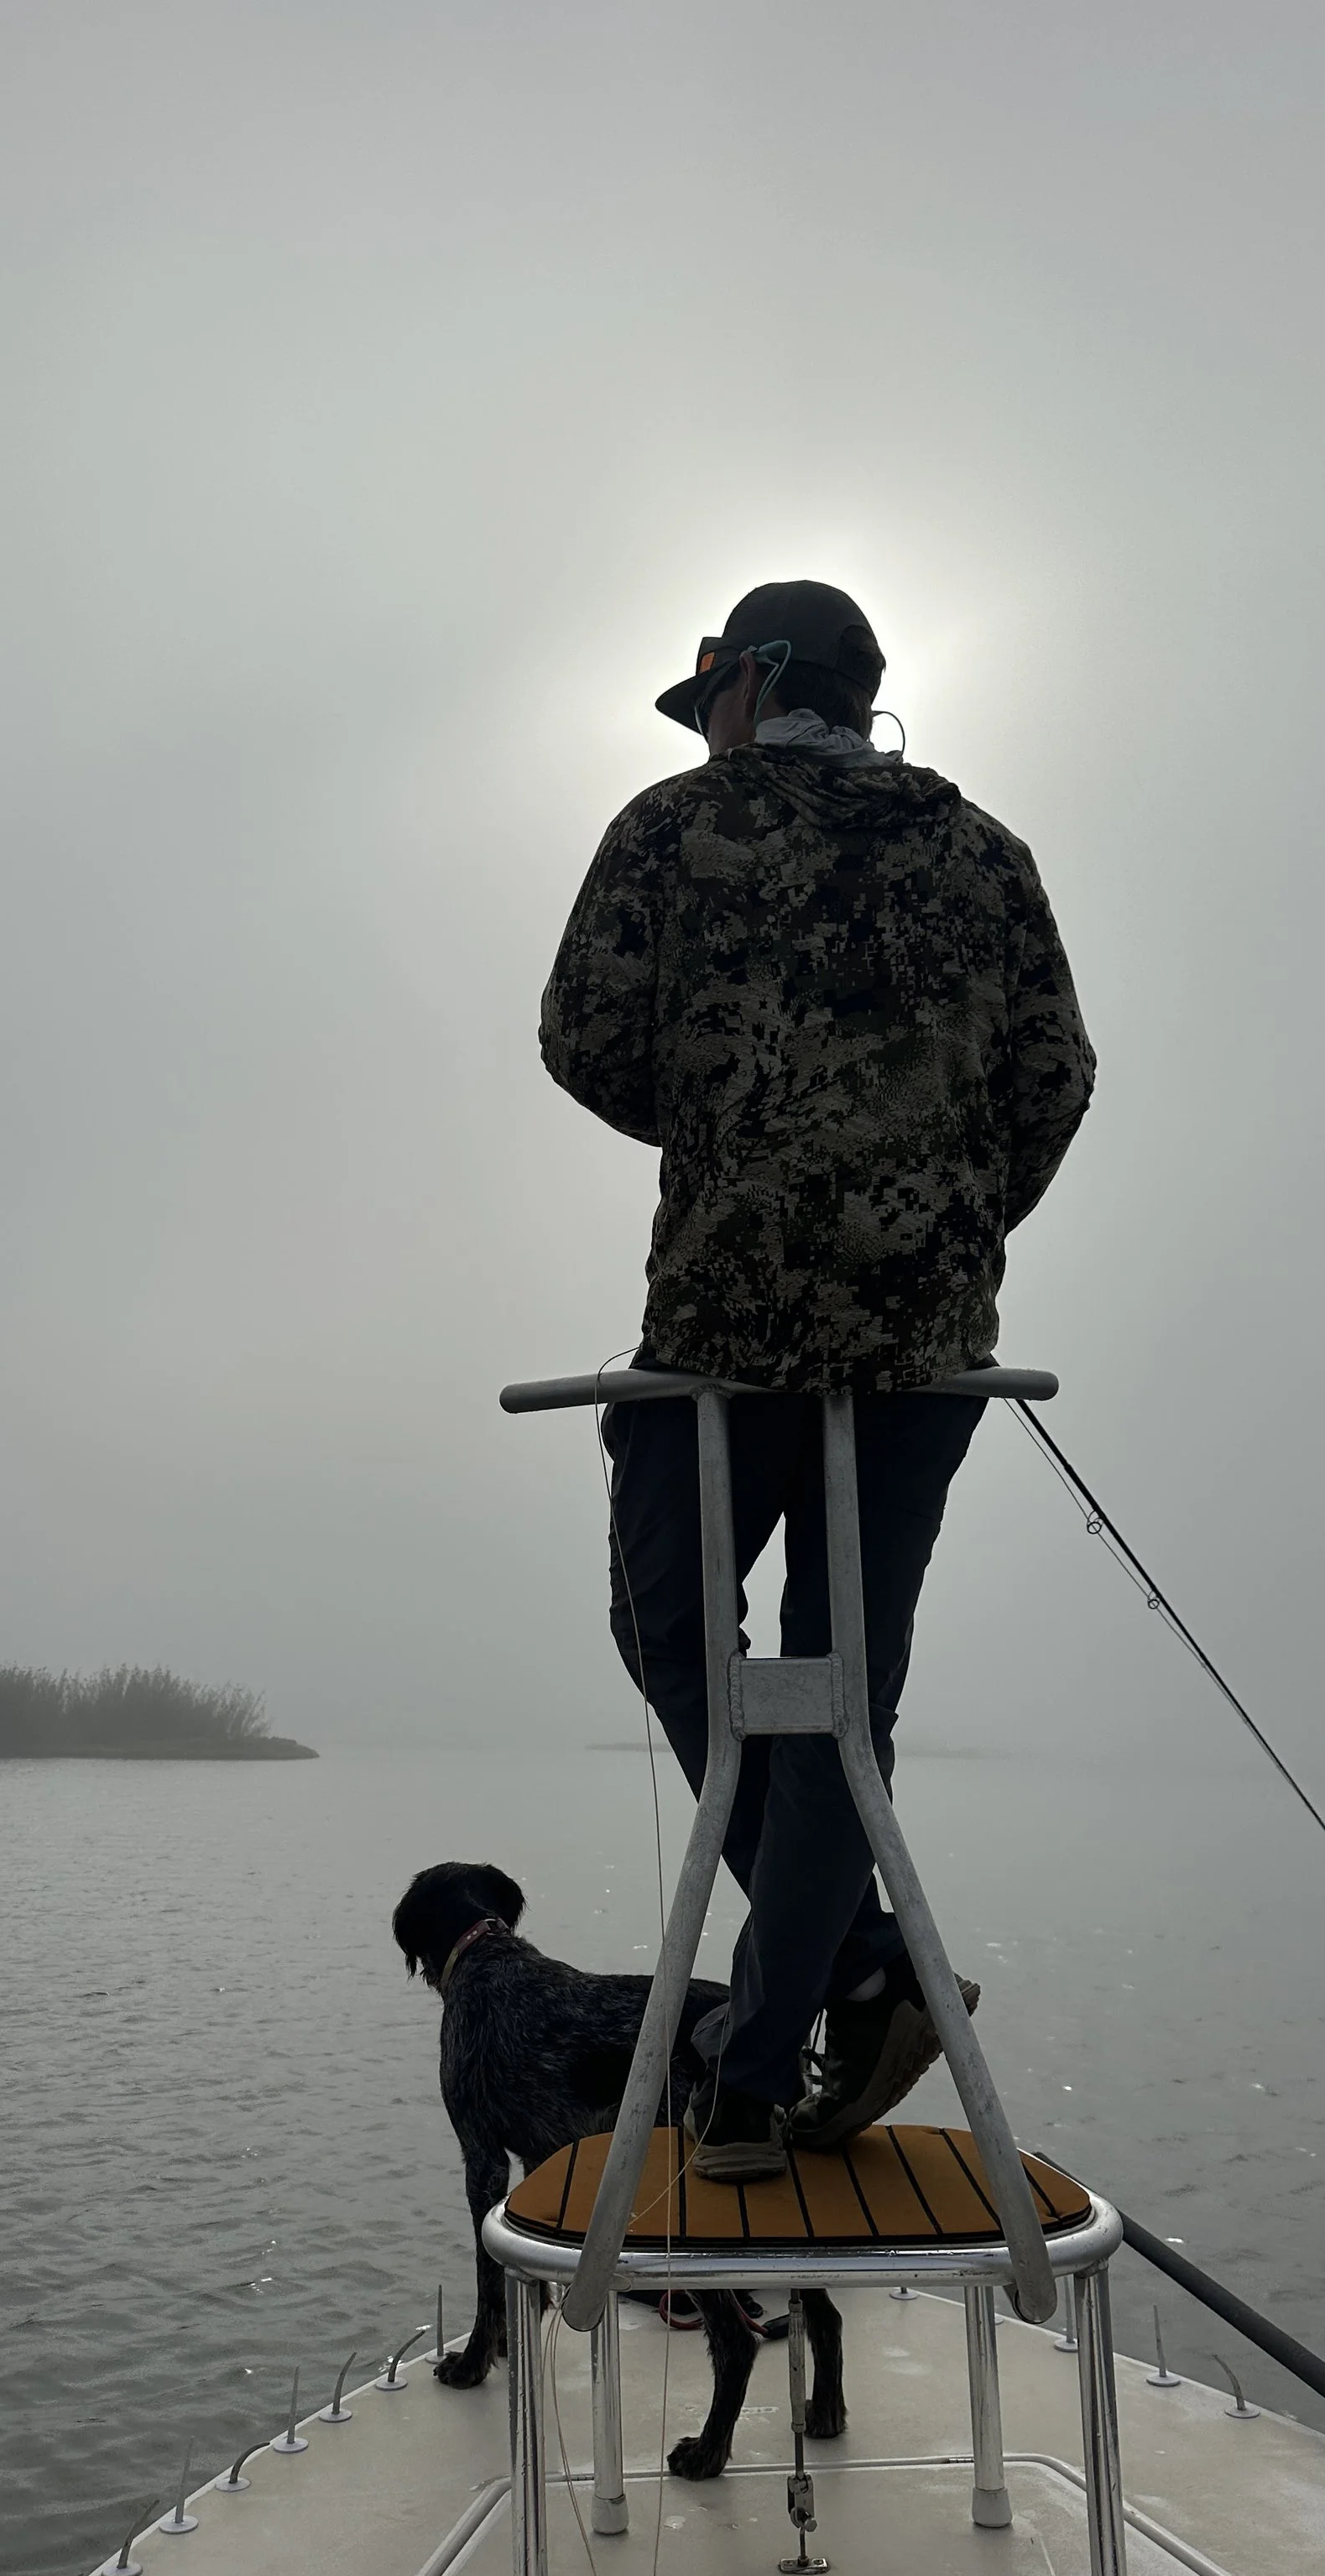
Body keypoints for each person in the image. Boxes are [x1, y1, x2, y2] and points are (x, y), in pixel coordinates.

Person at [540, 580, 1094, 2180]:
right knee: (847, 1690)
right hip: (924, 1352)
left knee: (669, 1624)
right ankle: (826, 1988)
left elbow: (584, 1036)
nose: (700, 717)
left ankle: (785, 2038)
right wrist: (936, 1207)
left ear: (760, 679)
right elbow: (1054, 1073)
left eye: (707, 686)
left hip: (720, 1332)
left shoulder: (671, 831)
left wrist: (738, 1128)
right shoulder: (988, 857)